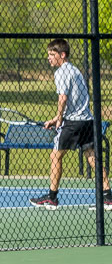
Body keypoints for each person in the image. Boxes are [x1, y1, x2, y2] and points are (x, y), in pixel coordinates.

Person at [29, 38, 111, 211]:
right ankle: (107, 197)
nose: (48, 58)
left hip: (73, 123)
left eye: (52, 54)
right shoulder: (75, 71)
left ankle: (52, 198)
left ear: (62, 55)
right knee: (92, 157)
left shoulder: (61, 73)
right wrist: (56, 118)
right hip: (86, 121)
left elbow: (63, 98)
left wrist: (59, 118)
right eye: (48, 54)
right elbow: (74, 101)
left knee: (55, 156)